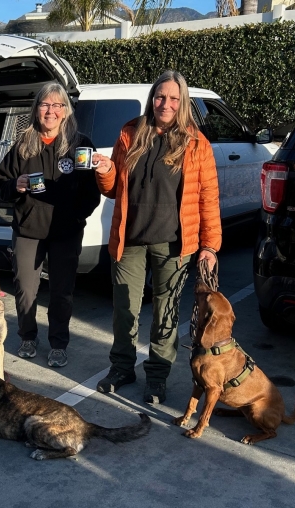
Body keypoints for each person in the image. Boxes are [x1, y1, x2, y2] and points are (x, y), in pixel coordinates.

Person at [94, 70, 221, 404]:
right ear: (153, 98)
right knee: (125, 310)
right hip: (130, 239)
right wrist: (105, 173)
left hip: (173, 245)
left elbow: (208, 197)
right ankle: (121, 368)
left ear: (183, 103)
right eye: (160, 96)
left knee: (166, 314)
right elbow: (114, 189)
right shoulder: (131, 133)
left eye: (173, 98)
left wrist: (210, 245)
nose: (165, 103)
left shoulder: (196, 143)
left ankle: (157, 377)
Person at [0, 83, 101, 368]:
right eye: (44, 105)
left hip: (66, 232)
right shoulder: (23, 145)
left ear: (66, 111)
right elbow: (0, 185)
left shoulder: (81, 145)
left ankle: (58, 344)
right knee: (25, 289)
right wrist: (14, 186)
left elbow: (92, 193)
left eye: (57, 106)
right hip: (28, 230)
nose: (50, 111)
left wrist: (76, 217)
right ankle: (28, 337)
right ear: (36, 110)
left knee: (61, 291)